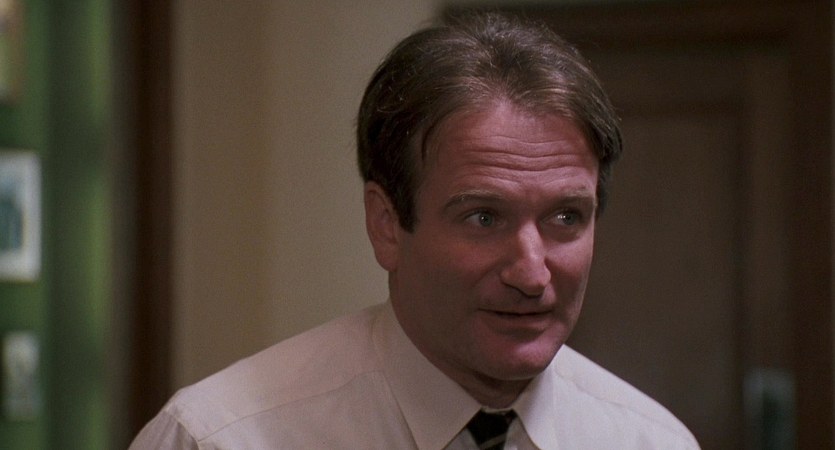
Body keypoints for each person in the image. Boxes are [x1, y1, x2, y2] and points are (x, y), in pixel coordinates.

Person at [131, 12, 699, 449]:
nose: (532, 274)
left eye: (565, 218)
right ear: (386, 225)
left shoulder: (649, 442)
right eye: (484, 218)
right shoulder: (220, 438)